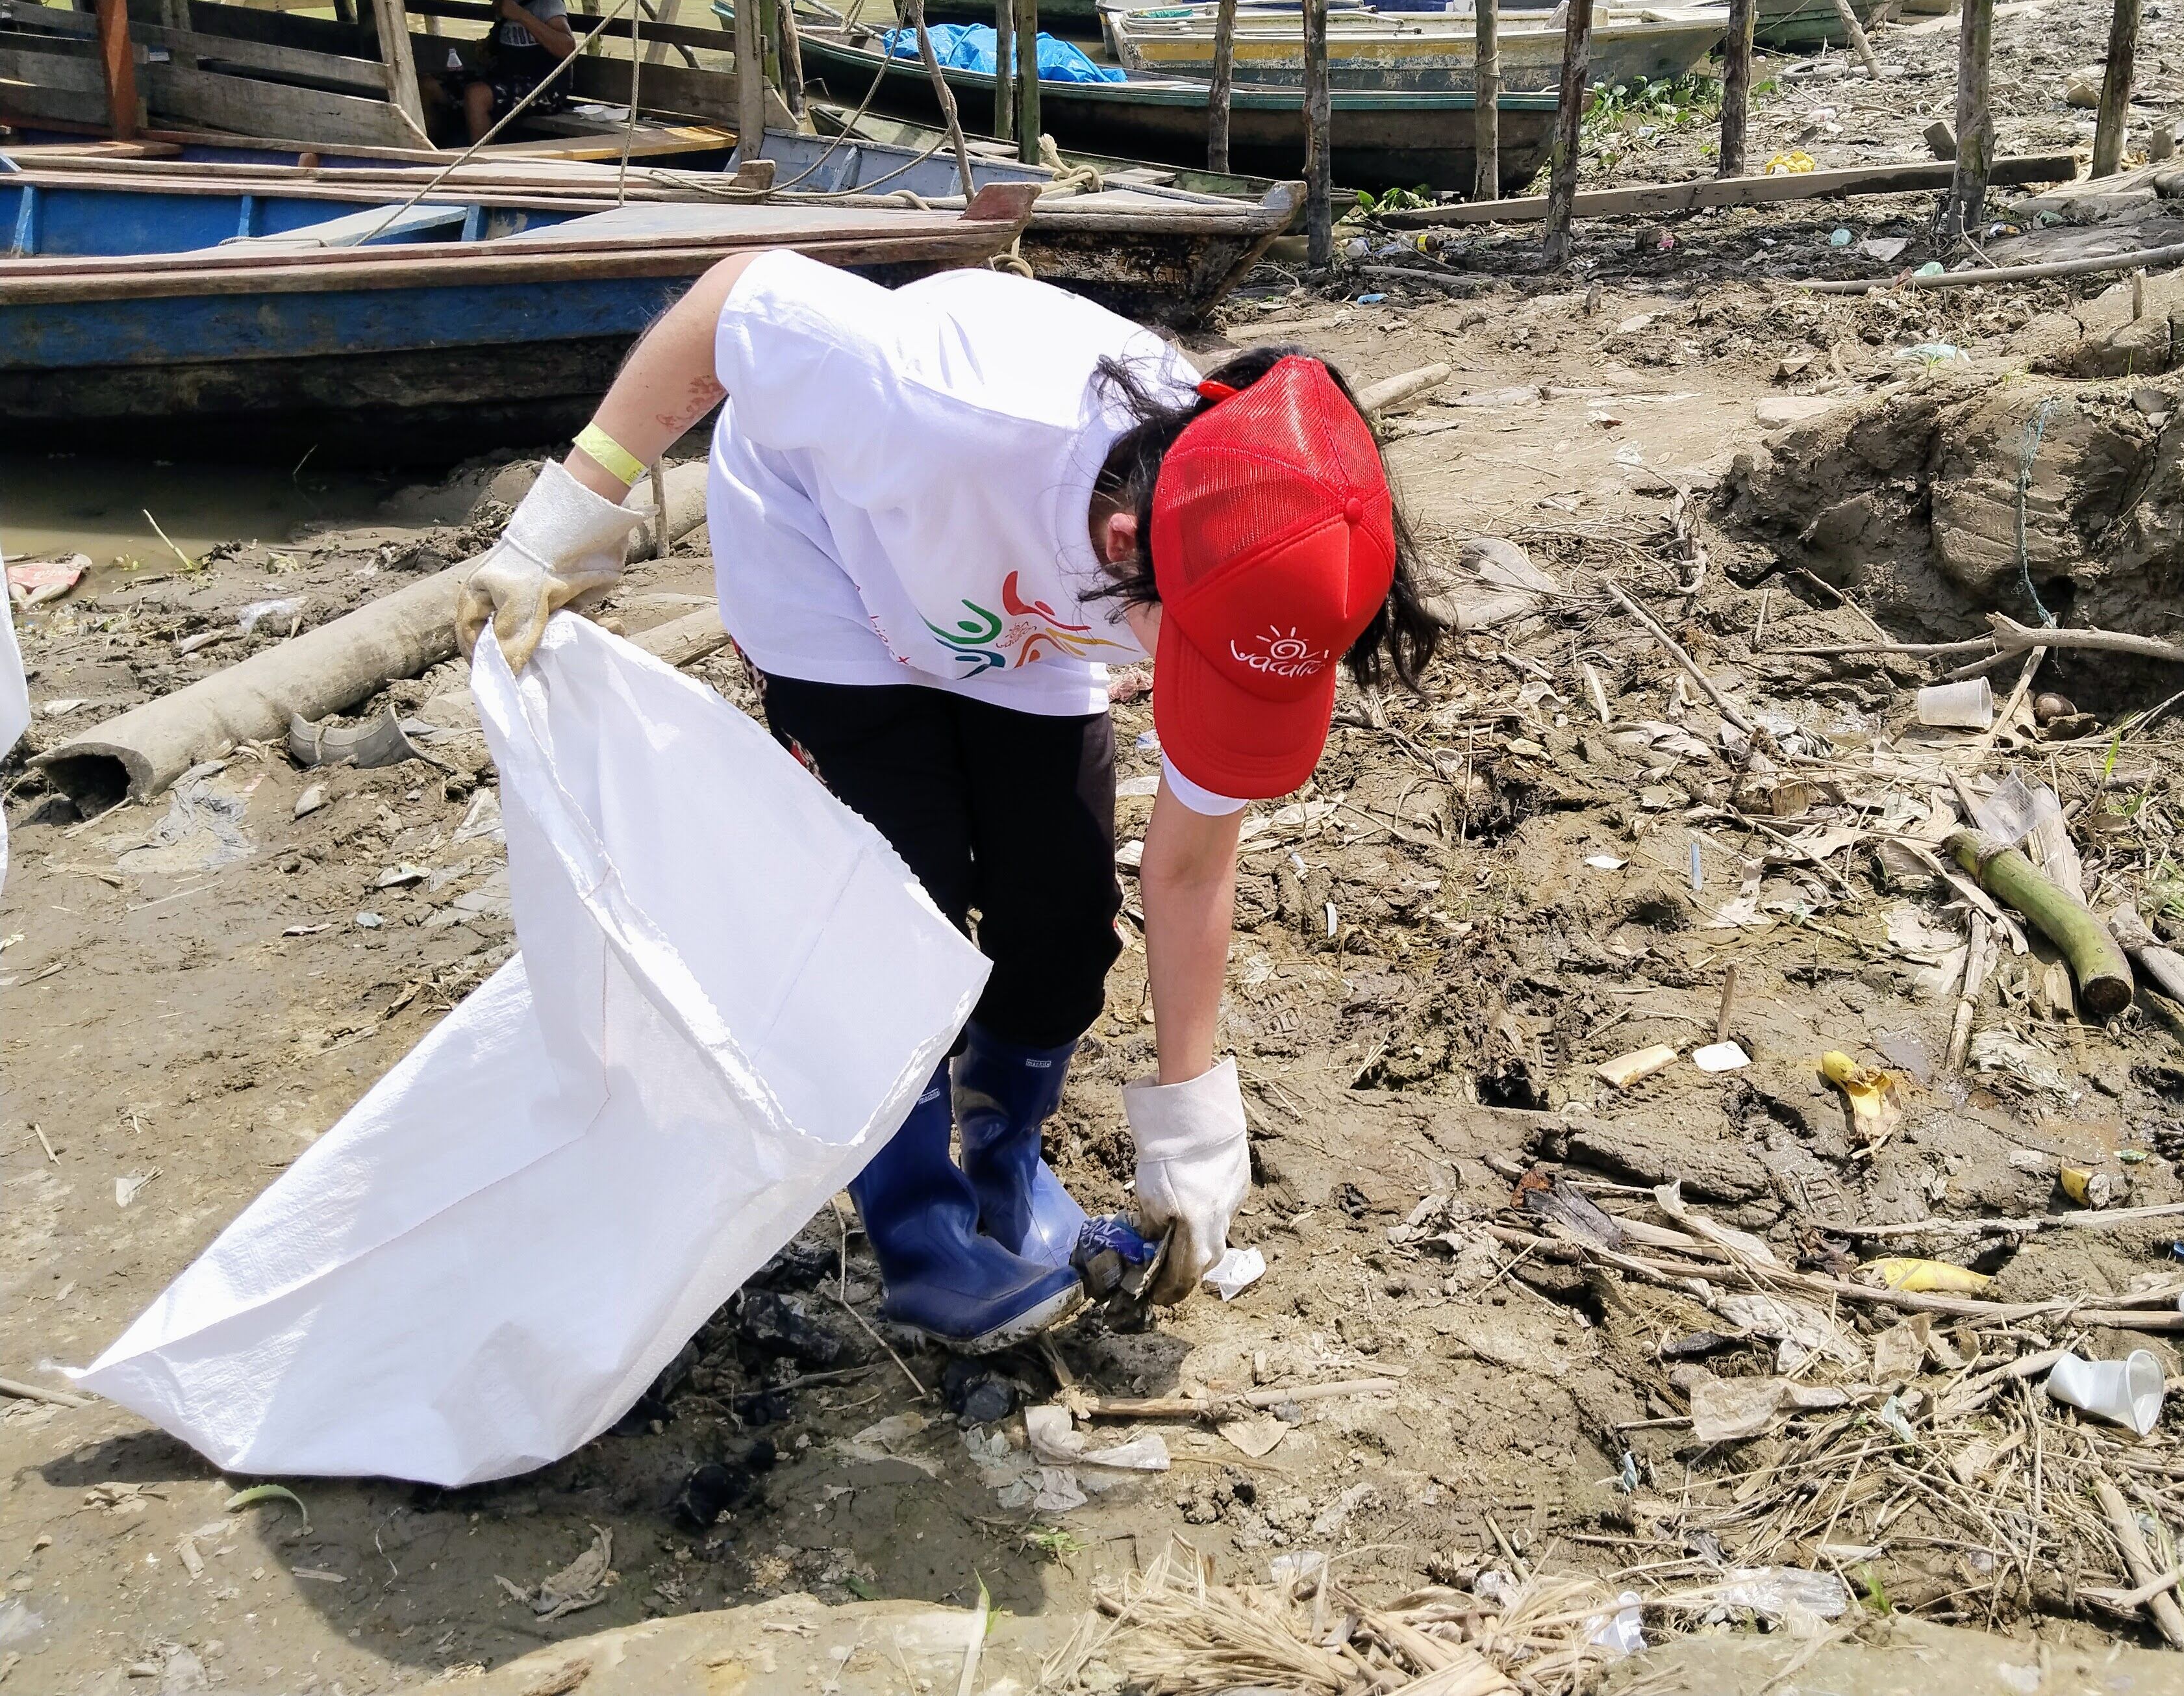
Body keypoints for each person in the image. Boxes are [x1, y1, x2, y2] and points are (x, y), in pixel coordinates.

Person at [455, 257, 1446, 1350]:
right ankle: (920, 1227)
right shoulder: (928, 398)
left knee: (1063, 914)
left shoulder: (1250, 535)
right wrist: (564, 519)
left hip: (1016, 614)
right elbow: (733, 301)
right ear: (1127, 551)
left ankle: (1004, 1173)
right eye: (1202, 668)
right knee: (898, 912)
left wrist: (1192, 1120)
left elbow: (1193, 864)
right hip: (829, 559)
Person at [424, 0, 577, 143]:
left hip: (545, 89)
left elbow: (568, 48)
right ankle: (434, 157)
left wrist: (521, 15)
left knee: (476, 95)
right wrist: (490, 50)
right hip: (506, 81)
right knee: (429, 85)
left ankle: (484, 170)